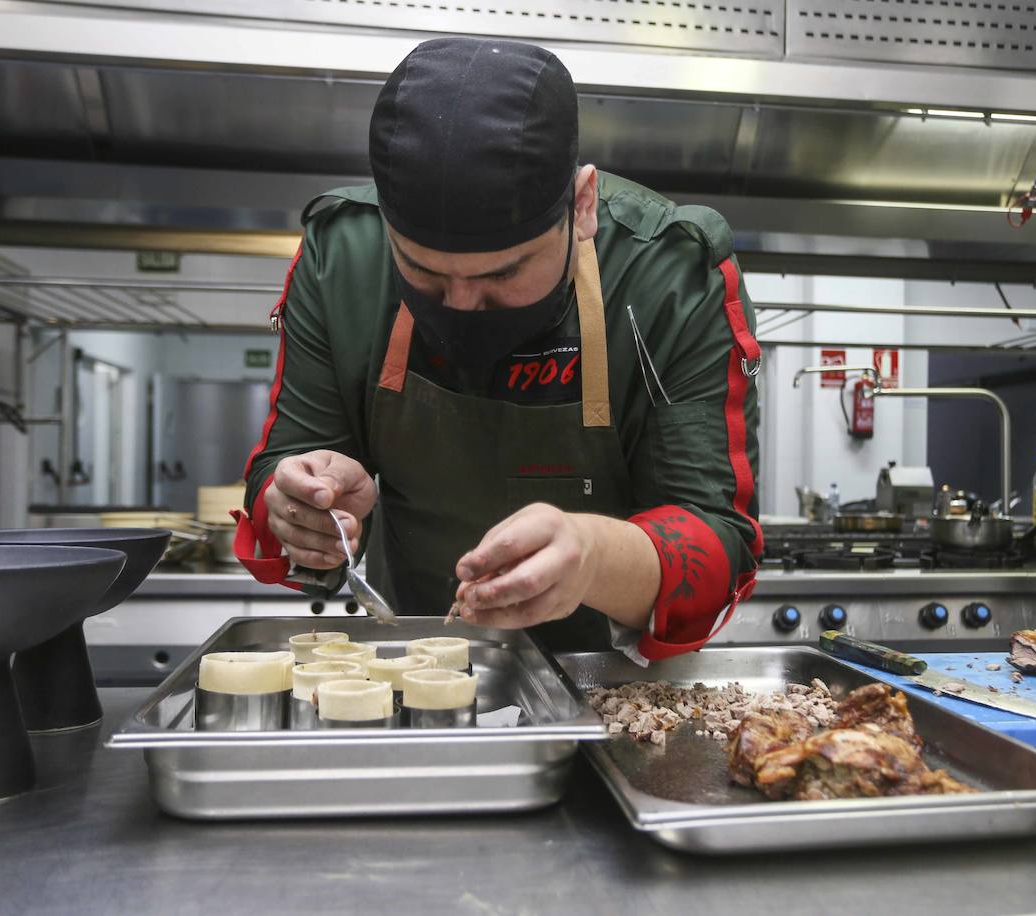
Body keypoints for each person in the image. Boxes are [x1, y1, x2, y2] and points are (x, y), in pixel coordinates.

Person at [233, 37, 761, 662]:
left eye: (503, 274)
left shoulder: (671, 275)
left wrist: (590, 556)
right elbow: (283, 468)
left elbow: (719, 545)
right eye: (424, 273)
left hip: (618, 697)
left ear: (582, 205)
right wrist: (304, 508)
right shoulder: (340, 254)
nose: (458, 305)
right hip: (425, 675)